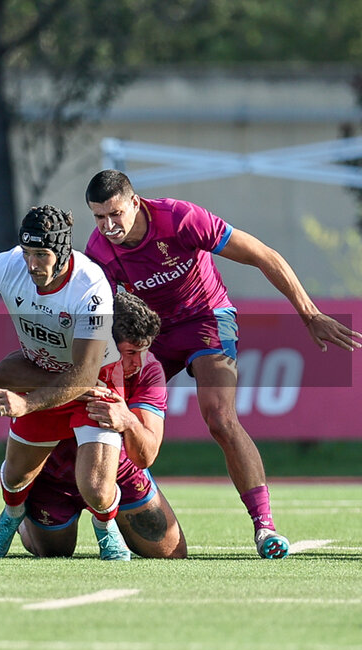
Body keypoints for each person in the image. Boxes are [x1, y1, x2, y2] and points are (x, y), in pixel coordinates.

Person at [83, 169, 362, 559]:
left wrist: (309, 313)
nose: (108, 226)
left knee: (219, 417)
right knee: (104, 408)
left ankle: (264, 527)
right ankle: (108, 502)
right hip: (152, 334)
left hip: (206, 320)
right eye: (99, 217)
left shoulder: (180, 219)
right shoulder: (97, 252)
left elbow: (263, 256)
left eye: (115, 214)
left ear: (134, 202)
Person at [0, 204, 132, 561]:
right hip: (41, 372)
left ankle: (107, 529)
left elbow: (84, 373)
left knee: (95, 488)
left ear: (62, 252)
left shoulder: (91, 287)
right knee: (15, 478)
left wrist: (26, 404)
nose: (32, 265)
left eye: (41, 255)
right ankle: (12, 515)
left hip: (94, 383)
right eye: (28, 253)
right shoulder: (8, 263)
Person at [0, 291, 186, 559]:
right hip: (53, 478)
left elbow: (146, 456)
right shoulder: (61, 352)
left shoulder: (148, 370)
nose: (137, 362)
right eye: (129, 352)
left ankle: (105, 515)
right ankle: (20, 510)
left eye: (143, 350)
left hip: (118, 471)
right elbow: (1, 373)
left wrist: (128, 420)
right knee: (53, 553)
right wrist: (69, 387)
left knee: (170, 552)